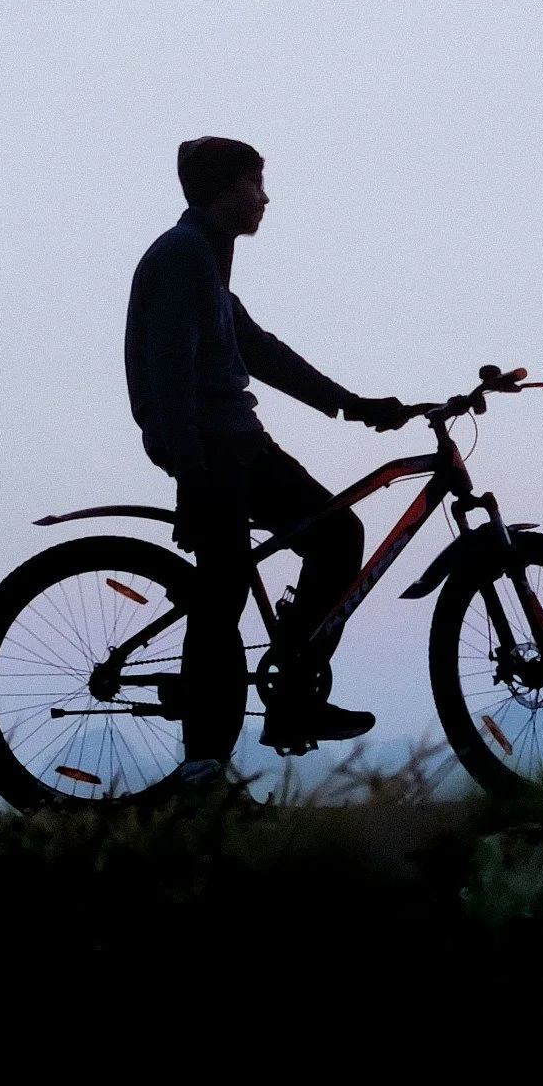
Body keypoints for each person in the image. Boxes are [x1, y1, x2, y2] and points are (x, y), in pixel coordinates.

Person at [124, 136, 412, 786]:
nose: (266, 196)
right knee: (227, 588)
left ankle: (290, 696)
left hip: (233, 440)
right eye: (256, 182)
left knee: (331, 534)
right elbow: (169, 372)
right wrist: (191, 474)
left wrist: (355, 406)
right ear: (222, 190)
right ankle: (210, 758)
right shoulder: (183, 257)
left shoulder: (208, 264)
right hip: (215, 445)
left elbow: (263, 353)